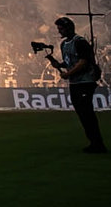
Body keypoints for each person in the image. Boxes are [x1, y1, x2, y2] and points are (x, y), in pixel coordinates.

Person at [41, 16, 107, 154]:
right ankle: (94, 142)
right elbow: (69, 61)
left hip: (85, 81)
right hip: (75, 83)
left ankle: (97, 143)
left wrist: (68, 73)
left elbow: (83, 62)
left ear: (69, 28)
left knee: (86, 113)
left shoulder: (80, 42)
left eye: (61, 29)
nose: (60, 32)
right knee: (82, 113)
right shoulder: (64, 44)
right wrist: (57, 64)